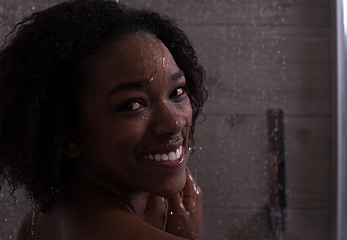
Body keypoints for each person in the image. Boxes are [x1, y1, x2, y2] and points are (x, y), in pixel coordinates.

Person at [0, 0, 207, 239]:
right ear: (68, 134)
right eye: (132, 105)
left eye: (177, 92)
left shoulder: (43, 218)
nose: (174, 123)